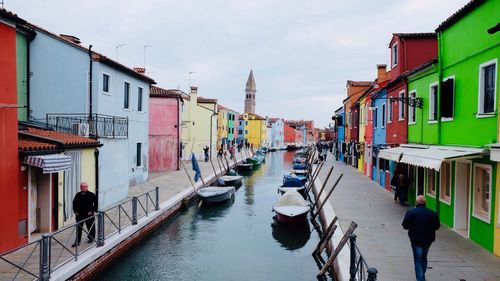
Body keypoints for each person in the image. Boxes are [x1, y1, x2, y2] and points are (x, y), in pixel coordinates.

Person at [402, 196, 440, 281]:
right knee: (424, 257)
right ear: (425, 203)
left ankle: (420, 279)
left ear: (416, 203)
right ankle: (422, 276)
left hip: (416, 240)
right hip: (428, 240)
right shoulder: (432, 213)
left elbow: (405, 226)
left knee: (418, 259)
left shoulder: (411, 212)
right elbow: (437, 226)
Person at [72, 182, 98, 247]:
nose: (83, 188)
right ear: (80, 188)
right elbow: (74, 204)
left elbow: (96, 203)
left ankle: (91, 238)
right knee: (79, 229)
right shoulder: (77, 195)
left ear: (87, 187)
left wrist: (92, 211)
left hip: (88, 214)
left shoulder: (91, 194)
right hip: (79, 215)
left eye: (84, 186)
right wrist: (75, 211)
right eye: (82, 187)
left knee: (90, 227)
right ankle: (77, 241)